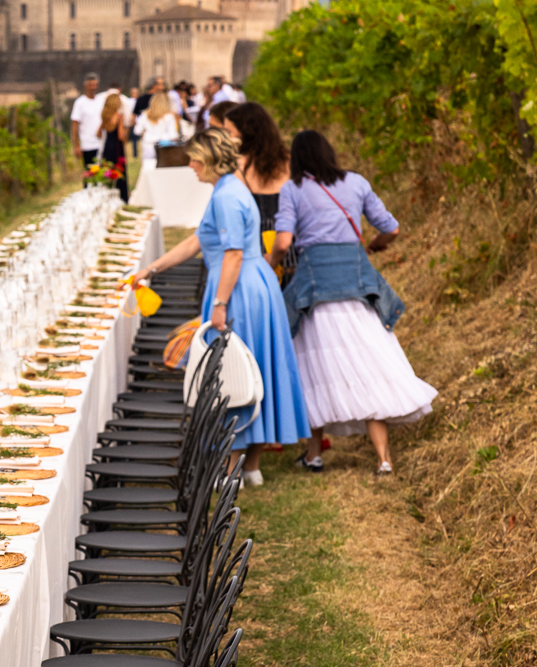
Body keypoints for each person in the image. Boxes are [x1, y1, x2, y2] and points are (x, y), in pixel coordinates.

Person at [135, 126, 309, 486]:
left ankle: (231, 470)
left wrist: (219, 303)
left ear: (211, 160)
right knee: (254, 364)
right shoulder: (228, 189)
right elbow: (197, 241)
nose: (191, 167)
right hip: (251, 281)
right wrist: (152, 268)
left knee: (232, 370)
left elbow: (231, 254)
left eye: (195, 160)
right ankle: (250, 467)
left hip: (238, 287)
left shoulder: (228, 196)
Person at [274, 130, 436, 478]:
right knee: (368, 366)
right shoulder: (357, 182)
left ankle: (314, 454)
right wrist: (373, 247)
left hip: (315, 290)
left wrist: (271, 260)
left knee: (314, 370)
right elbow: (391, 228)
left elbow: (284, 240)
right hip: (358, 288)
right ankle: (384, 459)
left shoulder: (292, 190)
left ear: (298, 159)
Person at [223, 100, 290, 236]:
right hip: (291, 235)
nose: (226, 137)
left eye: (229, 131)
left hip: (257, 238)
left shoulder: (238, 167)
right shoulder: (290, 161)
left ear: (245, 132)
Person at [132, 86, 192, 166]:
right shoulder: (169, 116)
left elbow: (137, 131)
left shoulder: (145, 114)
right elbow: (173, 135)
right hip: (164, 148)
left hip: (148, 145)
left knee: (148, 170)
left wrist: (145, 132)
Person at [98, 89, 130, 197]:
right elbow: (121, 136)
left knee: (108, 170)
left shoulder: (105, 116)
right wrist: (125, 133)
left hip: (107, 145)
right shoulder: (119, 116)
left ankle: (108, 194)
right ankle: (122, 195)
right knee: (119, 170)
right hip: (117, 146)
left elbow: (97, 133)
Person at [70, 74, 104, 167]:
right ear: (85, 86)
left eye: (95, 85)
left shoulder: (101, 101)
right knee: (90, 174)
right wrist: (76, 145)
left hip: (101, 143)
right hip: (87, 145)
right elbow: (75, 125)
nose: (93, 87)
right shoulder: (80, 103)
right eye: (91, 85)